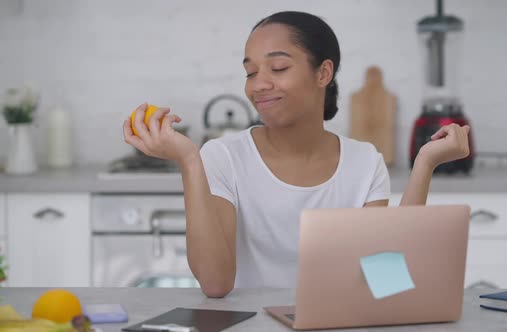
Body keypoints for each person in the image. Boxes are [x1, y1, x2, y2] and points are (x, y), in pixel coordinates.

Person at [123, 11, 470, 298]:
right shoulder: (223, 156)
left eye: (278, 68)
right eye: (250, 72)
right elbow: (215, 284)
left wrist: (425, 164)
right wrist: (189, 161)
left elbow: (388, 281)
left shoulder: (365, 162)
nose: (258, 84)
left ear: (323, 72)